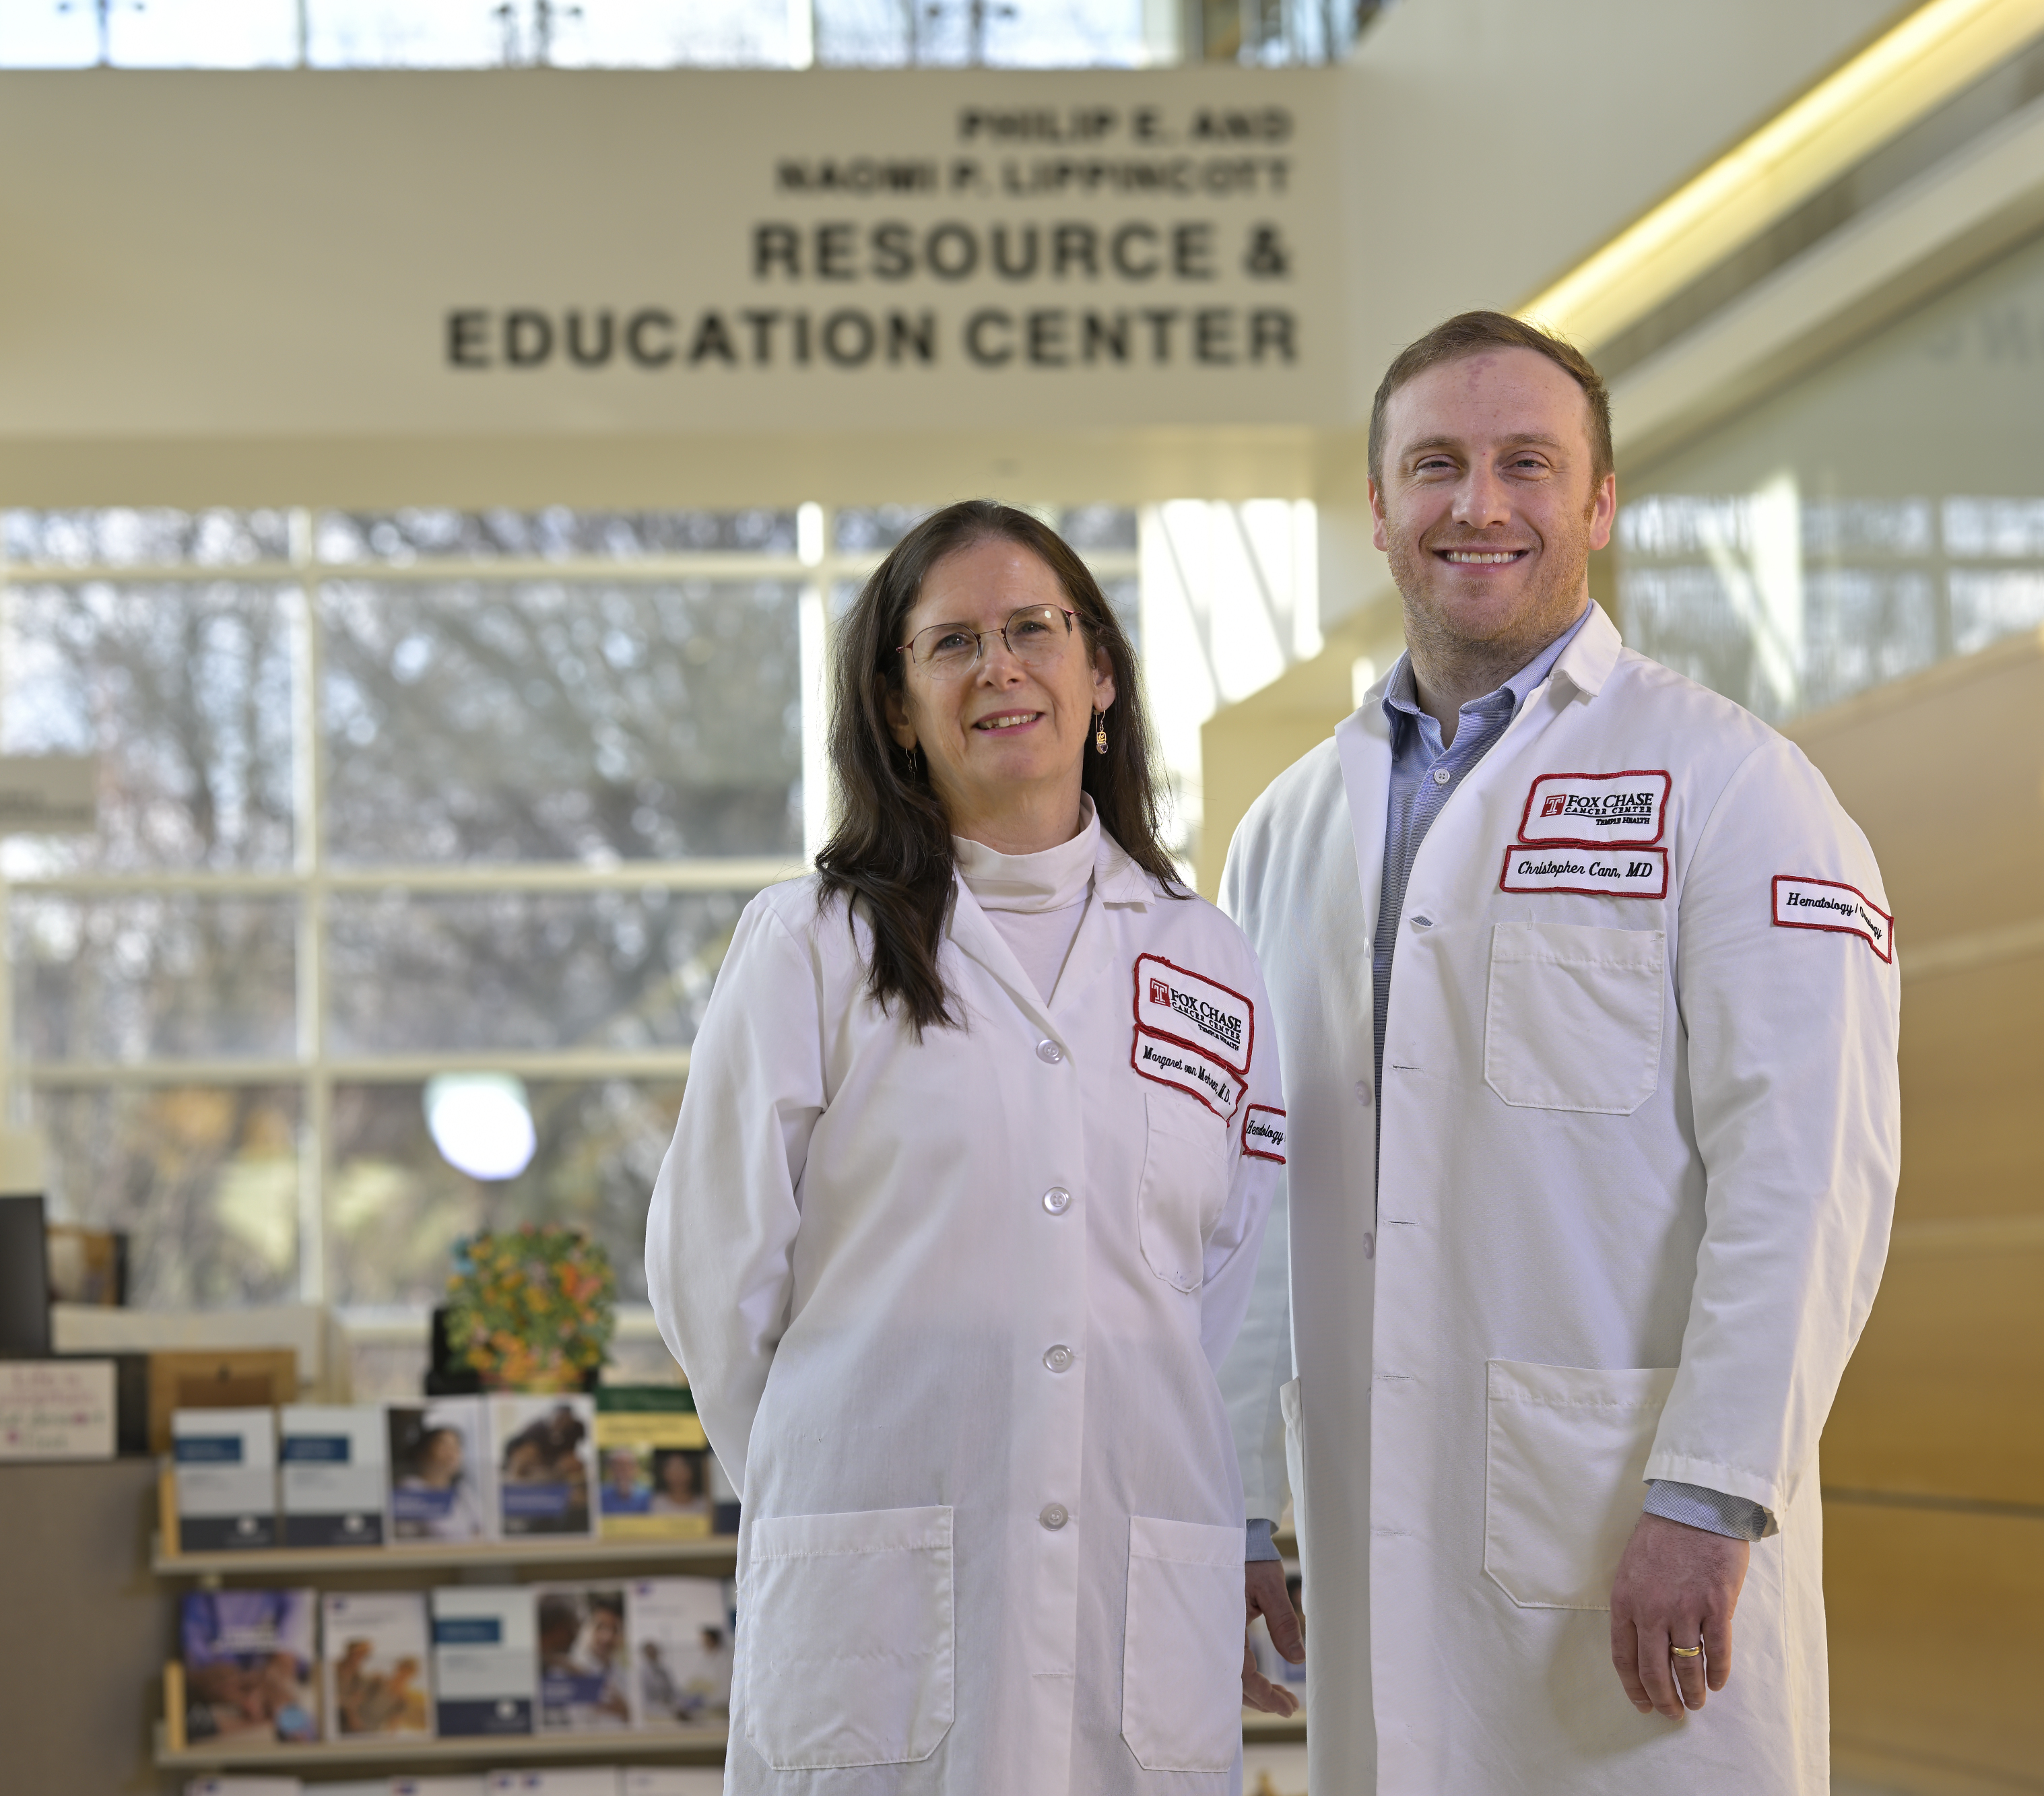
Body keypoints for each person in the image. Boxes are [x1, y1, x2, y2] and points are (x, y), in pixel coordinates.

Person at [1220, 312, 1900, 1793]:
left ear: (1597, 502)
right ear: (1377, 505)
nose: (1478, 504)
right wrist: (1238, 1500)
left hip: (1616, 1541)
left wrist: (1712, 1491)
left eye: (1526, 463)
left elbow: (1806, 1174)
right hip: (1357, 1536)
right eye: (1435, 465)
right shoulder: (1284, 827)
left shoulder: (1729, 787)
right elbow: (1259, 1194)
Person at [648, 500, 1298, 1794]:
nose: (1000, 668)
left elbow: (1226, 1272)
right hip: (878, 1602)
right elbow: (710, 1276)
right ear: (896, 707)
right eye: (951, 644)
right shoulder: (810, 945)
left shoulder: (1206, 958)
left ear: (1099, 671)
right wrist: (837, 1470)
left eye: (1033, 630)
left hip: (1132, 1566)